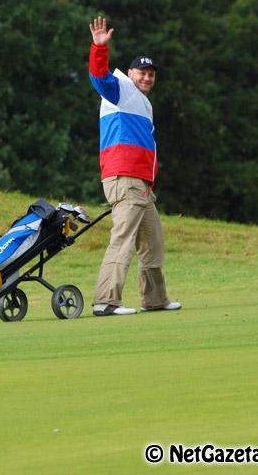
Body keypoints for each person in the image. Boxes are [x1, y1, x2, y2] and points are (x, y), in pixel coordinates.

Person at [87, 16, 182, 317]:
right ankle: (105, 301)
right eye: (142, 72)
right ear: (130, 73)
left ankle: (154, 299)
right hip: (124, 177)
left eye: (151, 74)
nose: (147, 78)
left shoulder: (143, 103)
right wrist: (99, 48)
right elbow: (98, 77)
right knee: (123, 241)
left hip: (141, 183)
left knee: (153, 245)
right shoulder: (121, 89)